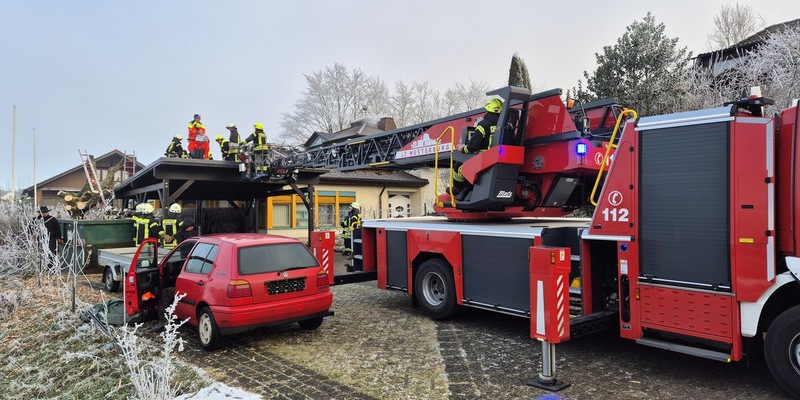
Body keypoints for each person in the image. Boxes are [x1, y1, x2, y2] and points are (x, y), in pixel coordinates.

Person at [451, 98, 503, 198]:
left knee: (459, 165)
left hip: (483, 157)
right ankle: (465, 191)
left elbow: (473, 146)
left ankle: (456, 189)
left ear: (487, 110)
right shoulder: (504, 125)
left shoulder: (482, 125)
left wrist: (462, 148)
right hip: (498, 157)